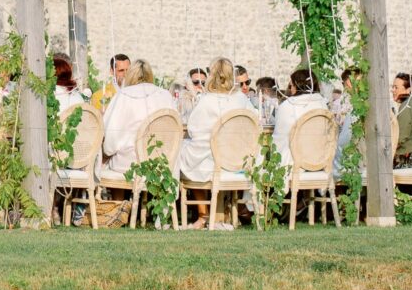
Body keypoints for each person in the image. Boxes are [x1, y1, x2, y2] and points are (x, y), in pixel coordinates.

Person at [179, 57, 257, 228]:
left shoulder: (207, 101)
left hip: (212, 163)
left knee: (183, 154)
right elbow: (254, 122)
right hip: (237, 162)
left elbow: (193, 129)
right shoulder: (241, 100)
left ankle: (203, 213)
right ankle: (227, 212)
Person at [101, 59, 178, 176]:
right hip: (160, 161)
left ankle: (118, 195)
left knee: (109, 160)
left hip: (129, 163)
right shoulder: (165, 95)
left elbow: (111, 135)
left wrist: (107, 151)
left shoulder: (123, 95)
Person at [272, 68, 328, 171]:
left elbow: (279, 137)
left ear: (297, 86)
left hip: (294, 163)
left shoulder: (288, 105)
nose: (291, 89)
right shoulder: (323, 105)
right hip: (320, 160)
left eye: (291, 85)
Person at [394, 72, 412, 168]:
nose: (393, 90)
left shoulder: (407, 106)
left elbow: (400, 137)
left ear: (409, 90)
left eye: (396, 87)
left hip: (408, 159)